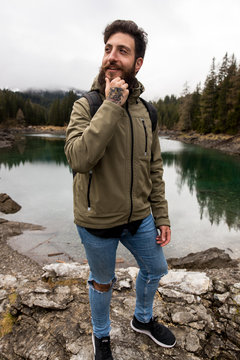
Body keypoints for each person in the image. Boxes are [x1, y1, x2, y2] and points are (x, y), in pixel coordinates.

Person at [65, 19, 176, 360]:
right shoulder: (88, 104)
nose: (112, 57)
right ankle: (102, 337)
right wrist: (112, 104)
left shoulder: (147, 112)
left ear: (137, 63)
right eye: (108, 49)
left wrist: (162, 215)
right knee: (103, 282)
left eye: (122, 51)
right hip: (97, 221)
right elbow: (78, 158)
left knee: (156, 269)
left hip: (140, 216)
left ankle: (142, 320)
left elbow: (153, 167)